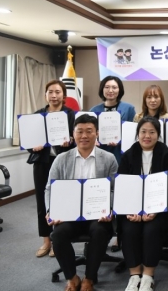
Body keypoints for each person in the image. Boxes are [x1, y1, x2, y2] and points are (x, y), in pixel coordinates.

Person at [45, 114, 118, 291]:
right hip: (69, 215)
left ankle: (89, 279)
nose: (84, 136)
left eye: (89, 131)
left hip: (97, 215)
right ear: (73, 134)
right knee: (58, 235)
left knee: (100, 232)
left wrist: (110, 209)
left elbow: (115, 190)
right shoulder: (61, 159)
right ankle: (72, 277)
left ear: (97, 133)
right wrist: (50, 211)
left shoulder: (109, 158)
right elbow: (50, 189)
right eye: (80, 131)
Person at [117, 117, 168, 291]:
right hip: (132, 208)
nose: (147, 136)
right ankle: (134, 275)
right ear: (138, 134)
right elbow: (123, 186)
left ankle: (148, 276)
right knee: (129, 229)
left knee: (152, 229)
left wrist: (156, 211)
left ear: (158, 135)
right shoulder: (128, 155)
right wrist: (130, 210)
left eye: (152, 132)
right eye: (143, 132)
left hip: (159, 209)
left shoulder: (166, 155)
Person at [30, 80, 76, 258]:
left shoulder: (70, 115)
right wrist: (33, 146)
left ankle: (58, 240)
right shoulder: (37, 115)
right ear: (46, 95)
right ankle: (46, 241)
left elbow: (77, 138)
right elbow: (29, 141)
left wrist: (69, 141)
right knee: (42, 201)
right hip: (42, 162)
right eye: (50, 92)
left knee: (62, 200)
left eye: (57, 92)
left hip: (63, 162)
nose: (54, 95)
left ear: (64, 96)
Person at [90, 75, 136, 164]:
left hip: (121, 154)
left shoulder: (129, 109)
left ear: (120, 90)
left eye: (114, 87)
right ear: (102, 89)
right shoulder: (93, 110)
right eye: (107, 87)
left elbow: (132, 133)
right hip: (99, 154)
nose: (110, 90)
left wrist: (120, 140)